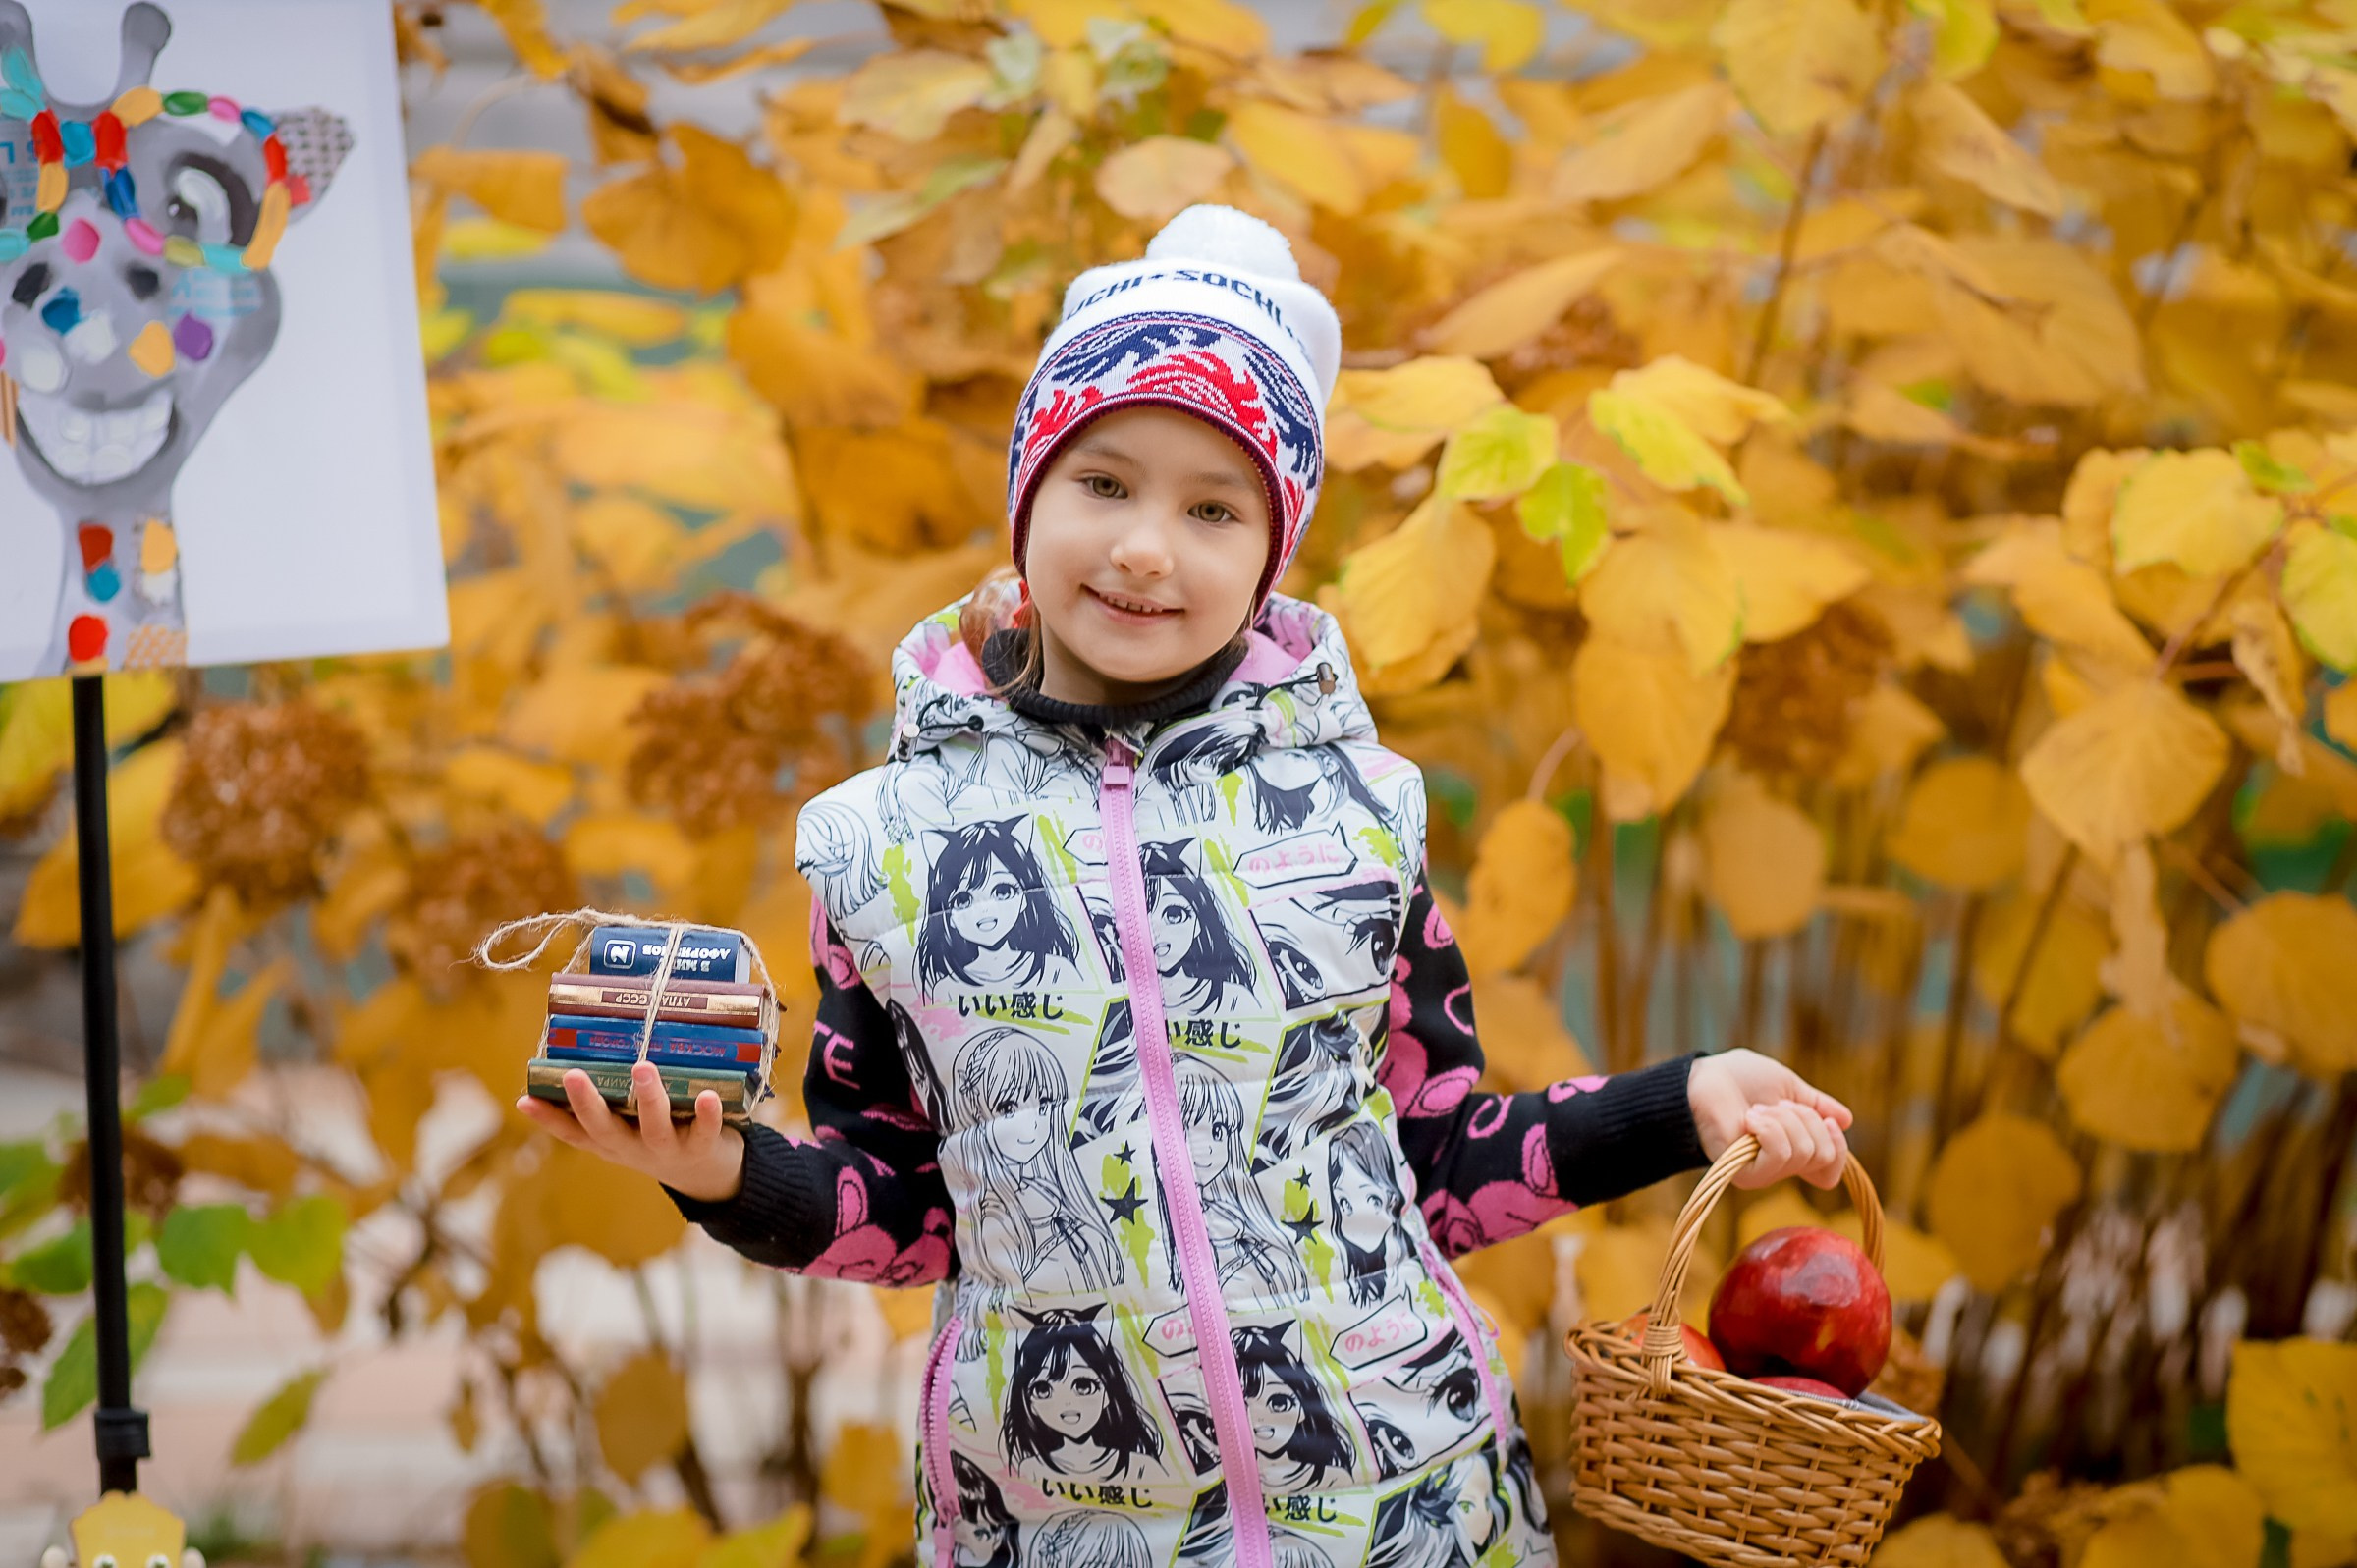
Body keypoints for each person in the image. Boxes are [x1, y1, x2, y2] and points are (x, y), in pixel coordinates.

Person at [519, 204, 1858, 1567]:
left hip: (1401, 1503)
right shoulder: (886, 846)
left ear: (1272, 551)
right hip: (1056, 1520)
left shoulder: (1360, 817)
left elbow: (1437, 1160)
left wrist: (1681, 1102)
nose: (1148, 546)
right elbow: (906, 1204)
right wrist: (720, 1171)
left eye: (1213, 507)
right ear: (1028, 495)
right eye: (1103, 483)